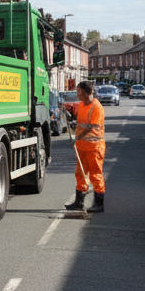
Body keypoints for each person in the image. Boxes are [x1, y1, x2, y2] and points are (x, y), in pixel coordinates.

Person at [61, 80, 106, 212]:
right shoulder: (81, 105)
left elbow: (90, 127)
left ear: (88, 93)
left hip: (94, 147)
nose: (78, 95)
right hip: (82, 147)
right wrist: (66, 111)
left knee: (95, 174)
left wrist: (78, 136)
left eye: (79, 92)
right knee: (80, 173)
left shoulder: (96, 107)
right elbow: (79, 120)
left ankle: (99, 204)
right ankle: (78, 202)